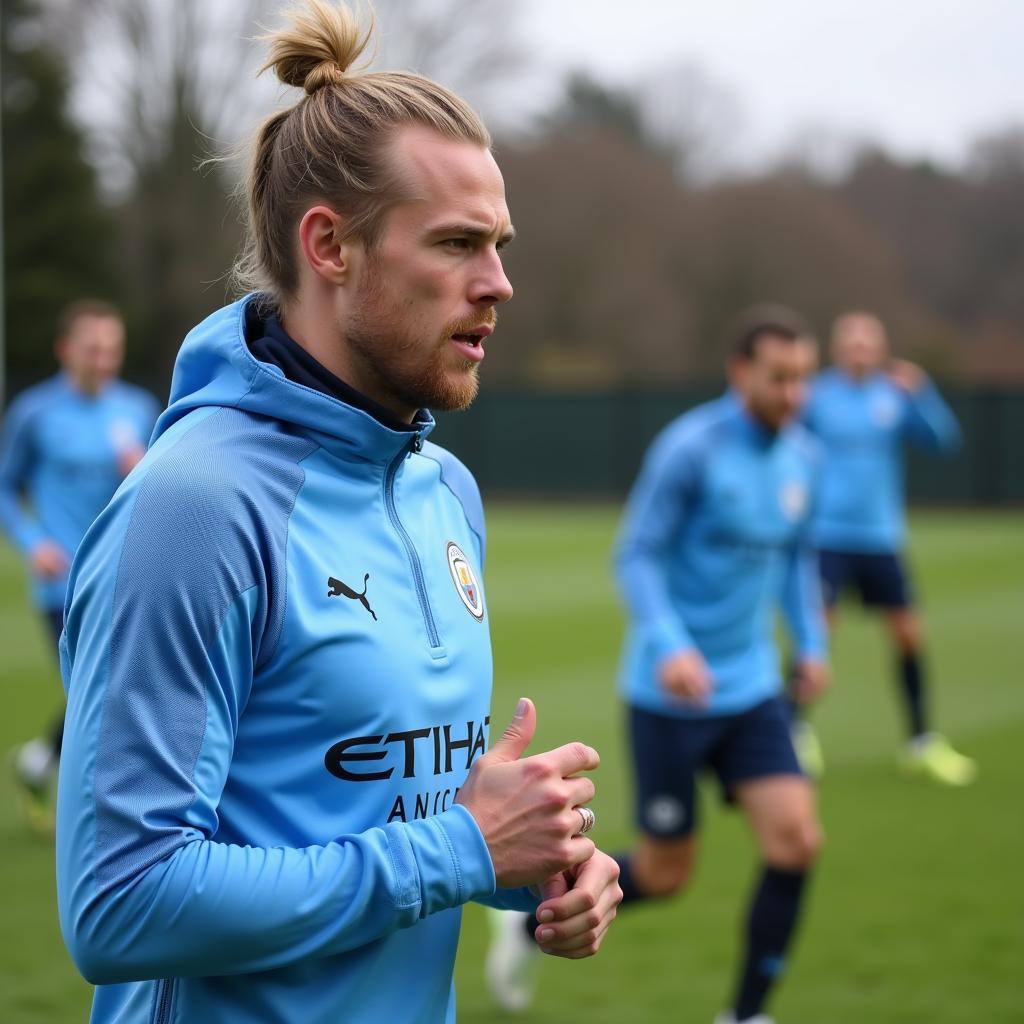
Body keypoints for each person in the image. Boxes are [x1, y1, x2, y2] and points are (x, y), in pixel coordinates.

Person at [55, 3, 620, 1022]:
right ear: (330, 246)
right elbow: (120, 905)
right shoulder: (197, 507)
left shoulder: (442, 489)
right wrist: (459, 847)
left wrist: (526, 865)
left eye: (497, 243)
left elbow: (370, 821)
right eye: (456, 243)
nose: (497, 283)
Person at [488, 307, 827, 1023]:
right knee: (668, 872)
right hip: (667, 695)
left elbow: (797, 562)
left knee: (796, 841)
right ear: (741, 373)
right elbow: (636, 553)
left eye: (803, 379)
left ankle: (745, 1014)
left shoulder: (806, 457)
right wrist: (671, 643)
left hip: (753, 689)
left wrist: (814, 646)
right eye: (779, 378)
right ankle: (524, 922)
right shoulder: (692, 448)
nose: (793, 394)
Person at [0, 299, 158, 831]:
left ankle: (41, 761)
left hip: (130, 576)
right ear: (66, 350)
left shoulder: (138, 409)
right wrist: (32, 541)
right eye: (93, 349)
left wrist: (146, 470)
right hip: (64, 584)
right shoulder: (35, 413)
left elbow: (162, 490)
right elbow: (5, 487)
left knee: (119, 691)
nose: (104, 359)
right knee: (105, 695)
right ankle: (101, 820)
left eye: (113, 348)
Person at [801, 311, 975, 785]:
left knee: (908, 635)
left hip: (880, 537)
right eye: (850, 342)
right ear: (837, 348)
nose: (858, 350)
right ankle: (795, 733)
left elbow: (944, 442)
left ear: (879, 349)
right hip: (827, 535)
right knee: (816, 633)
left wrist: (924, 393)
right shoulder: (816, 394)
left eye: (866, 343)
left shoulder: (894, 395)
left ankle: (920, 741)